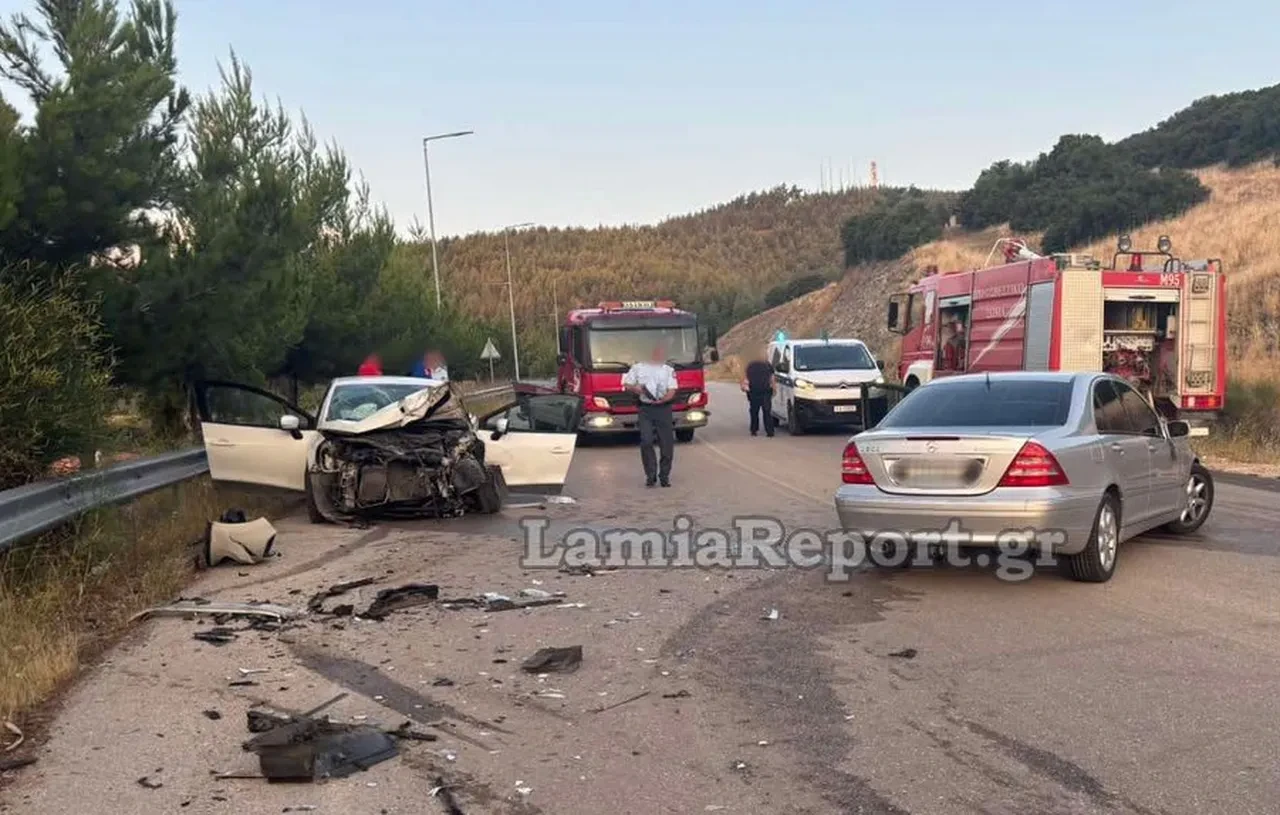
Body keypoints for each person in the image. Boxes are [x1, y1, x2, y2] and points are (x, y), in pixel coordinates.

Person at [622, 344, 678, 487]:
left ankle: (664, 476)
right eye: (658, 353)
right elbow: (627, 384)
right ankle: (650, 475)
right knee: (646, 441)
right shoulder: (638, 368)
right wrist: (636, 389)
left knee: (666, 444)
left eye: (662, 354)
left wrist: (666, 398)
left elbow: (672, 389)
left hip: (663, 409)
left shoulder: (668, 370)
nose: (660, 356)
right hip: (646, 409)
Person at [740, 347, 775, 437]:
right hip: (756, 392)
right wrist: (744, 386)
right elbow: (745, 377)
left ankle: (767, 431)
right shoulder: (753, 365)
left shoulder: (767, 365)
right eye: (764, 354)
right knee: (758, 411)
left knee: (762, 412)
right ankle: (757, 430)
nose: (765, 356)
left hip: (763, 391)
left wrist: (774, 388)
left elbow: (772, 378)